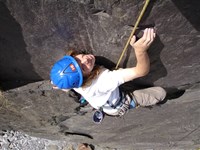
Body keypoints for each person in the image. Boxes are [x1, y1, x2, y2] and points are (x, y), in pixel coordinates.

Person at [50, 28, 166, 118]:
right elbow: (141, 71)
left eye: (77, 59)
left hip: (102, 102)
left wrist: (58, 83)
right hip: (119, 104)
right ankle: (131, 103)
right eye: (83, 68)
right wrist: (140, 51)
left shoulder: (70, 82)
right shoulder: (103, 81)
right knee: (161, 93)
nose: (85, 60)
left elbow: (65, 84)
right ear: (85, 78)